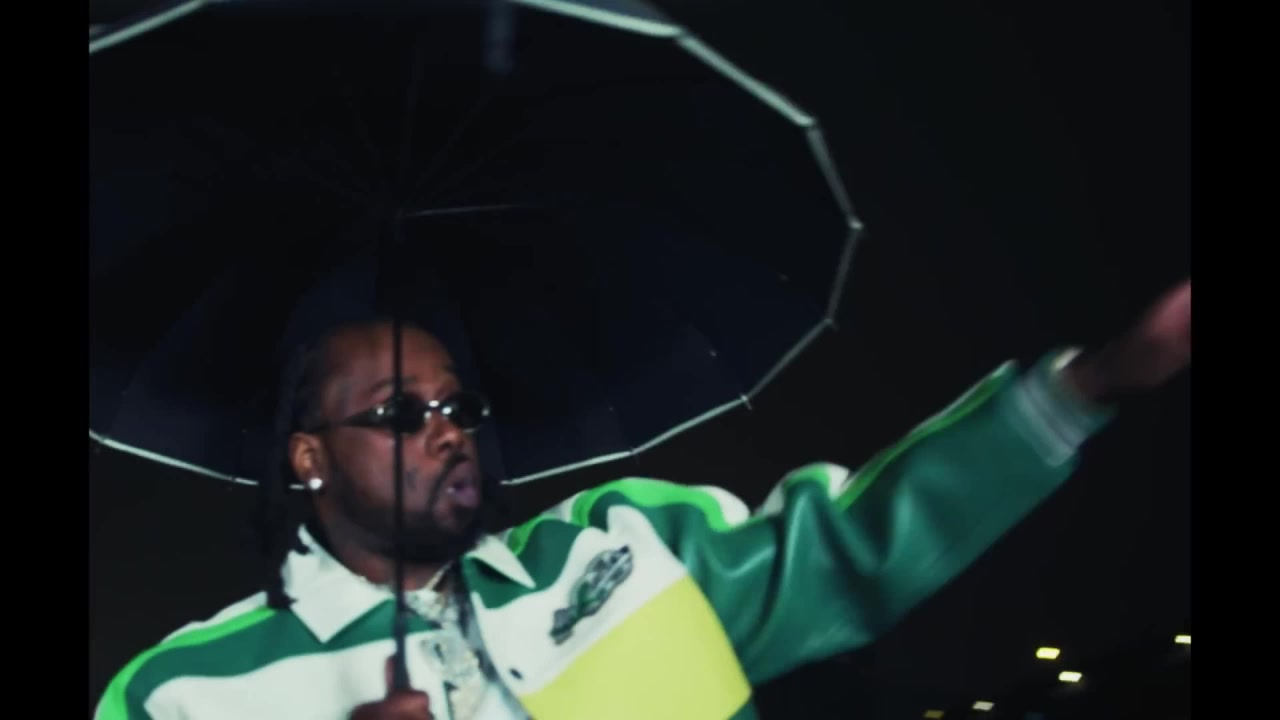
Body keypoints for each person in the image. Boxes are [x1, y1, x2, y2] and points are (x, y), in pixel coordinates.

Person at [95, 280, 1191, 720]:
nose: (448, 428)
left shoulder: (620, 546)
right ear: (307, 458)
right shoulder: (179, 694)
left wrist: (1087, 388)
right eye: (399, 412)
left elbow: (853, 550)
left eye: (459, 403)